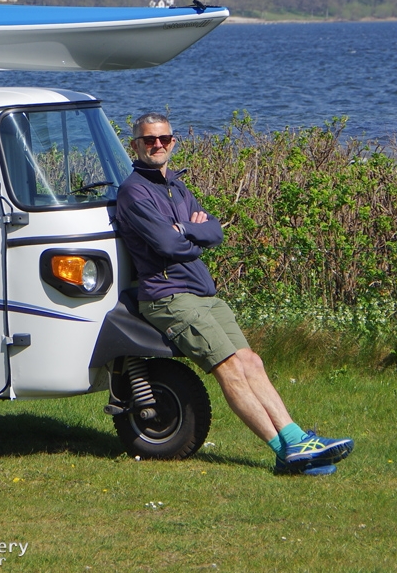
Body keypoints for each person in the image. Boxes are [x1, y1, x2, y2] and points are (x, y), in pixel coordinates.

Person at [114, 113, 353, 476]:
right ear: (136, 145)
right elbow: (167, 245)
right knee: (229, 368)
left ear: (173, 142)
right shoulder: (134, 191)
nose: (157, 145)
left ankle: (297, 440)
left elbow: (215, 231)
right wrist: (188, 234)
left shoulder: (177, 186)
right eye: (149, 140)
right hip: (169, 296)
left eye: (164, 139)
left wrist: (184, 230)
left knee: (251, 362)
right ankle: (285, 450)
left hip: (203, 293)